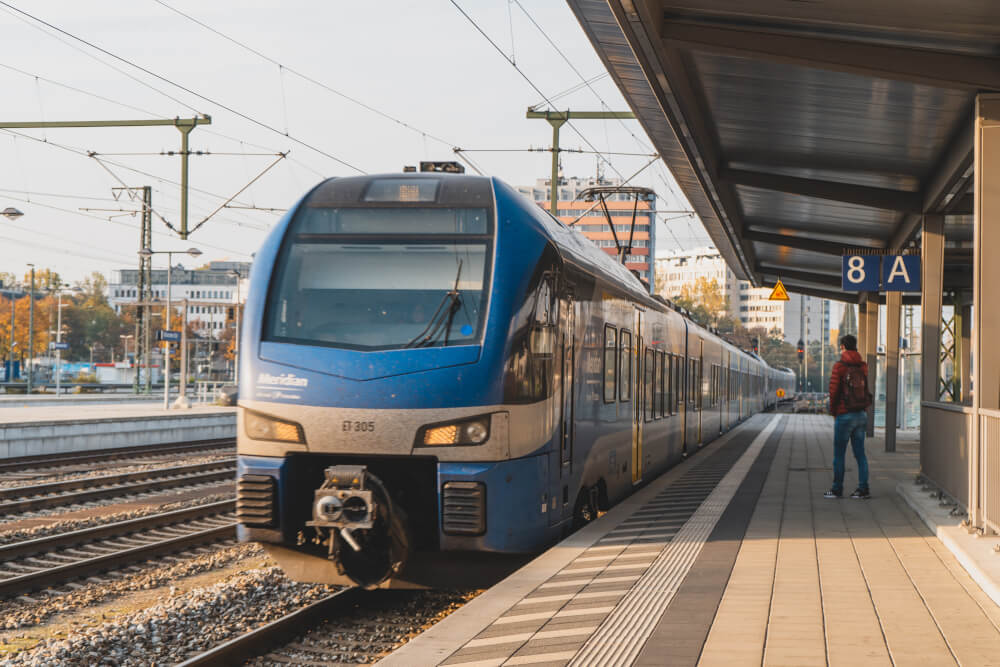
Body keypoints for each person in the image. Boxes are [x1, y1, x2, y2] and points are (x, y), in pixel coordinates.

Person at [824, 334, 873, 499]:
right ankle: (863, 489)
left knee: (839, 455)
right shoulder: (863, 366)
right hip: (860, 414)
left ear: (842, 347)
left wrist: (833, 411)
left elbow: (834, 391)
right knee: (860, 454)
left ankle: (837, 489)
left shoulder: (839, 366)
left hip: (844, 415)